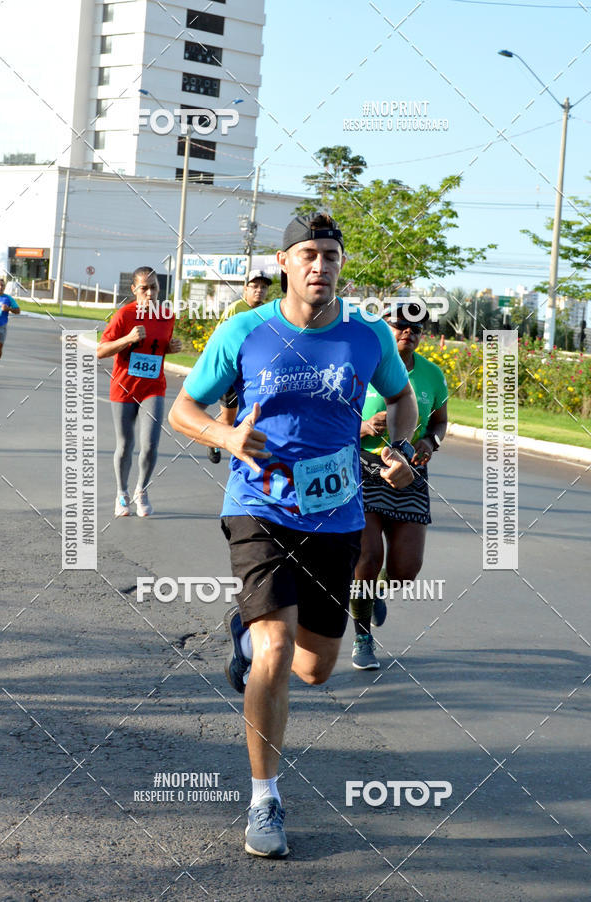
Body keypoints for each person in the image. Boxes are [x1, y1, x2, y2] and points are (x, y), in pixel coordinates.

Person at [168, 213, 418, 858]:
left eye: (331, 255)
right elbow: (183, 408)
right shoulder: (245, 331)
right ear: (284, 262)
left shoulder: (366, 337)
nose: (320, 265)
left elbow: (402, 398)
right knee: (276, 651)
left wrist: (398, 447)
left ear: (340, 264)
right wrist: (224, 436)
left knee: (313, 670)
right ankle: (265, 800)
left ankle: (246, 639)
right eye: (307, 253)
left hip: (336, 516)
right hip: (261, 507)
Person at [350, 300, 448, 670]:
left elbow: (439, 422)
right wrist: (361, 427)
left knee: (406, 569)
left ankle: (372, 594)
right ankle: (362, 636)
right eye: (400, 325)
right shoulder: (362, 362)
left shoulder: (433, 374)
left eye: (417, 328)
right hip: (362, 466)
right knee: (368, 557)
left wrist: (430, 442)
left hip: (409, 469)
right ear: (384, 328)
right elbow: (328, 415)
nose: (409, 332)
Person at [97, 266, 182, 517]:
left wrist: (170, 348)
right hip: (124, 388)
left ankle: (141, 490)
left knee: (150, 444)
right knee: (125, 445)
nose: (150, 292)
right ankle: (121, 494)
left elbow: (157, 347)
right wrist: (127, 339)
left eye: (154, 287)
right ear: (134, 290)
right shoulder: (125, 315)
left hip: (153, 387)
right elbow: (101, 351)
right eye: (144, 288)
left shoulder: (167, 315)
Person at [208, 269, 272, 464]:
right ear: (245, 289)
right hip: (231, 369)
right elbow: (224, 340)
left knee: (253, 412)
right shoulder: (236, 309)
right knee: (228, 418)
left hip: (251, 371)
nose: (259, 290)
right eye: (254, 286)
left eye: (263, 287)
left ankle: (249, 448)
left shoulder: (266, 312)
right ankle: (214, 440)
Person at [0, 276, 20, 378]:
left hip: (2, 325)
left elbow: (18, 311)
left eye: (2, 286)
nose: (0, 287)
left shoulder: (8, 298)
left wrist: (8, 309)